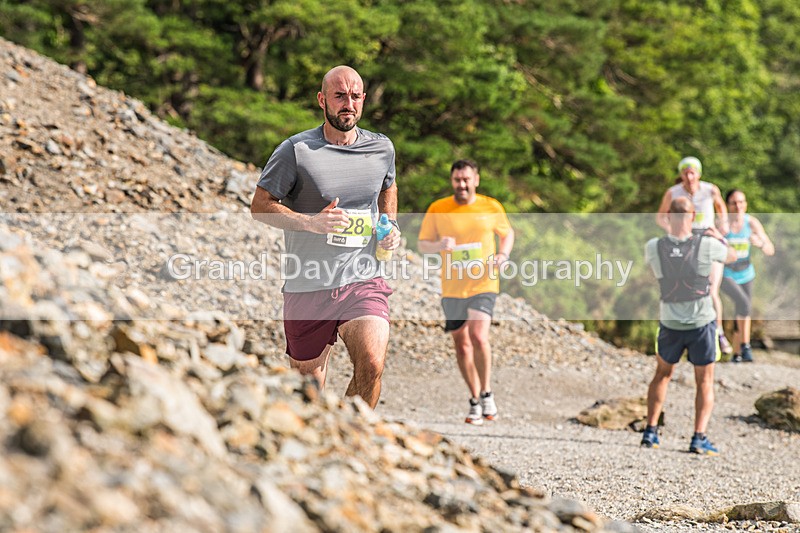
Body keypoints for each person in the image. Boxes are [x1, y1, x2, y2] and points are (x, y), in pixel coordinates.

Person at [250, 65, 400, 409]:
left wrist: (389, 225)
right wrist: (311, 223)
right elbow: (260, 206)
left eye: (355, 96)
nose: (349, 104)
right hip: (308, 284)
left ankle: (354, 434)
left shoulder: (381, 148)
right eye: (339, 96)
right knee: (309, 394)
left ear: (363, 99)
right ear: (322, 100)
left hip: (363, 278)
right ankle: (323, 434)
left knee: (372, 363)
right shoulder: (296, 150)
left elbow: (388, 187)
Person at [417, 160, 514, 425]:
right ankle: (474, 399)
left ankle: (487, 392)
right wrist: (439, 244)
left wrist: (503, 255)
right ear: (452, 181)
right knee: (461, 345)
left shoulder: (491, 206)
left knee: (478, 336)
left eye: (466, 179)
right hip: (452, 286)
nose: (462, 185)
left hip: (483, 282)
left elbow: (507, 234)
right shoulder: (438, 208)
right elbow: (423, 245)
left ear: (476, 180)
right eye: (457, 180)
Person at [642, 197, 737, 455]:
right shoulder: (706, 244)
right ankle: (698, 437)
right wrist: (718, 236)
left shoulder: (653, 246)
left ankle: (650, 432)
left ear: (668, 215)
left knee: (662, 374)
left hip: (669, 322)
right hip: (701, 322)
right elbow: (732, 256)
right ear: (693, 215)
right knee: (704, 380)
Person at [657, 156, 733, 356]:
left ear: (698, 174)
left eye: (692, 173)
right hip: (685, 243)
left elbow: (721, 208)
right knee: (684, 287)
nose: (689, 177)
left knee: (712, 289)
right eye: (685, 173)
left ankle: (719, 333)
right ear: (681, 175)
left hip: (707, 239)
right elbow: (660, 216)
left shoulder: (710, 190)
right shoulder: (673, 192)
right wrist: (672, 230)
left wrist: (722, 227)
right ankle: (684, 330)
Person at [721, 189, 775, 363]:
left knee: (742, 309)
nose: (738, 206)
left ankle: (736, 354)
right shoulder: (722, 224)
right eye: (734, 203)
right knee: (744, 303)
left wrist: (760, 243)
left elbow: (770, 249)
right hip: (726, 273)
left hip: (746, 273)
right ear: (727, 205)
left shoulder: (751, 223)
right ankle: (746, 346)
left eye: (741, 202)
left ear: (745, 204)